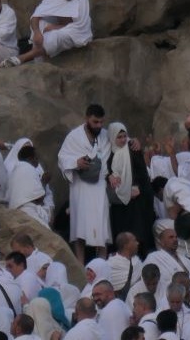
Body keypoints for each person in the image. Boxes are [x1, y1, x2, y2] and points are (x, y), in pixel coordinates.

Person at [4, 0, 93, 67]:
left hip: (75, 32)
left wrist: (55, 27)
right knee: (41, 24)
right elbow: (36, 16)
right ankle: (39, 62)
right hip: (57, 28)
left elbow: (80, 24)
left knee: (56, 35)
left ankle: (21, 58)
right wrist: (37, 32)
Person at [59, 104, 111, 262]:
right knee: (80, 227)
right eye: (95, 122)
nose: (99, 125)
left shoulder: (105, 135)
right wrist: (77, 162)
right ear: (87, 118)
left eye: (101, 122)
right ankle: (80, 265)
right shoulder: (74, 136)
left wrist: (133, 141)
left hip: (100, 187)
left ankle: (102, 263)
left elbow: (122, 141)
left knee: (102, 226)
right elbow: (62, 157)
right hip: (80, 187)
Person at [107, 124, 156, 255]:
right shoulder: (108, 154)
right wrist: (109, 176)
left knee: (138, 235)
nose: (123, 140)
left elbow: (142, 173)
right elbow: (106, 173)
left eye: (124, 136)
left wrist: (137, 187)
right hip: (119, 205)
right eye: (119, 137)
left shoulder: (133, 150)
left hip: (136, 202)